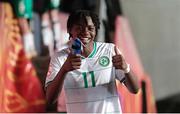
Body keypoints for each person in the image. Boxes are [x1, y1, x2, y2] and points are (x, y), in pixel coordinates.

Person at [45, 10, 139, 113]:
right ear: (69, 30)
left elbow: (135, 90)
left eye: (90, 28)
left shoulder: (110, 50)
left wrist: (126, 68)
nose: (85, 32)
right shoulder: (60, 58)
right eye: (79, 28)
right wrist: (64, 70)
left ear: (96, 31)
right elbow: (50, 99)